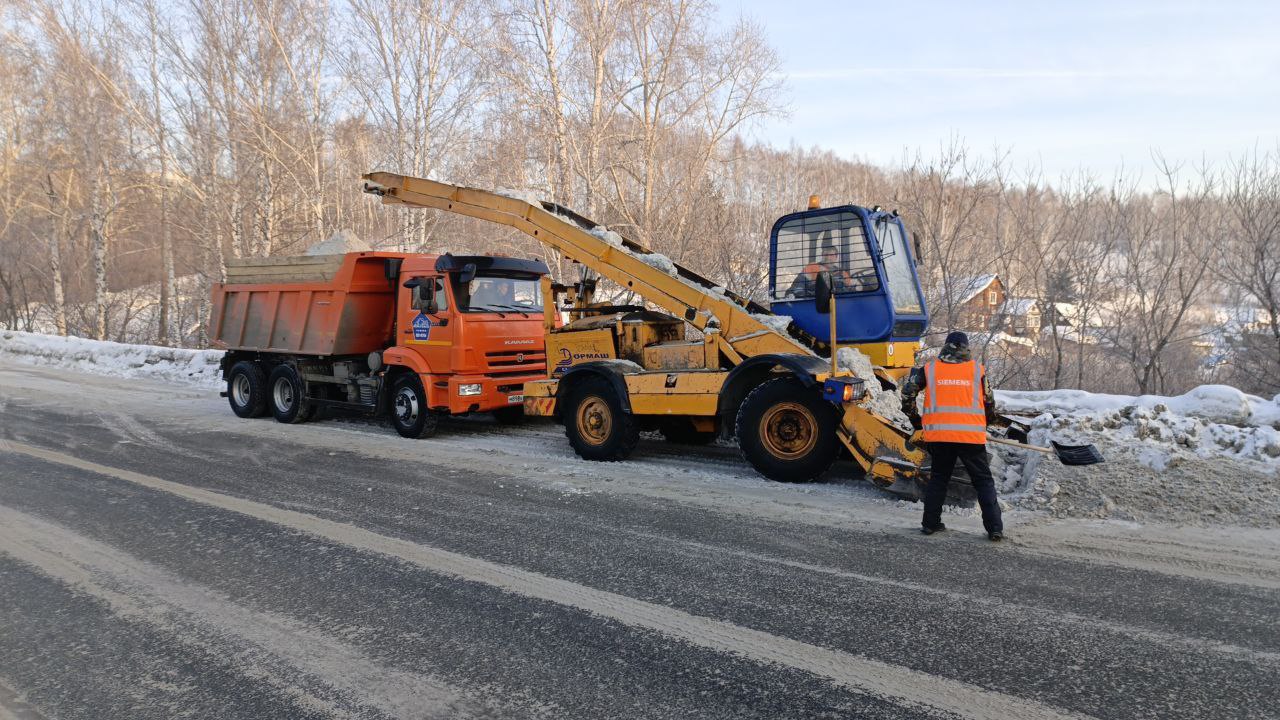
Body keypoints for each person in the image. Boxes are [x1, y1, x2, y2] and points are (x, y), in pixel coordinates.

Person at [900, 331, 1004, 541]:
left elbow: (907, 394)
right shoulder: (977, 371)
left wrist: (915, 420)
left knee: (939, 479)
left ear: (945, 347)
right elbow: (989, 402)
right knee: (983, 481)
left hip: (939, 436)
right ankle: (994, 528)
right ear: (967, 348)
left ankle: (930, 524)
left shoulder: (929, 369)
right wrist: (988, 421)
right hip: (970, 438)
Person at [787, 244, 855, 297]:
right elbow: (798, 286)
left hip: (839, 305)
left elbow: (852, 290)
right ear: (822, 255)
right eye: (825, 255)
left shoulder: (842, 273)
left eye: (831, 255)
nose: (828, 257)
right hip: (815, 304)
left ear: (836, 257)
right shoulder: (812, 268)